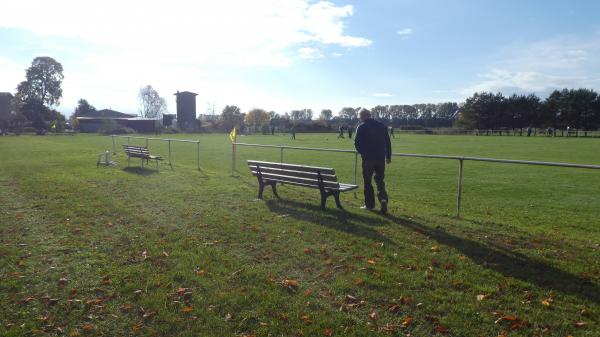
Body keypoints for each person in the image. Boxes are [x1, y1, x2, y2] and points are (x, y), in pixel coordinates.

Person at [354, 108, 391, 213]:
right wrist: (388, 156)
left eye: (359, 116)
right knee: (380, 181)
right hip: (380, 158)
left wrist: (364, 153)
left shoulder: (361, 127)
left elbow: (357, 144)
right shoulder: (381, 126)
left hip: (368, 159)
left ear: (362, 116)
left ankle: (369, 205)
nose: (359, 118)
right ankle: (383, 200)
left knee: (367, 182)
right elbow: (388, 142)